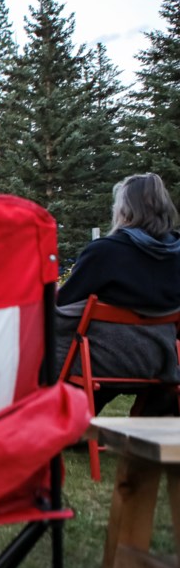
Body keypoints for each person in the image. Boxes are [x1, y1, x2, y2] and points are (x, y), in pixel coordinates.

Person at [54, 172, 180, 415]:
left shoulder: (106, 252)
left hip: (102, 359)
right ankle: (152, 415)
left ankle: (69, 417)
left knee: (45, 331)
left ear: (125, 210)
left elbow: (65, 303)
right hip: (162, 362)